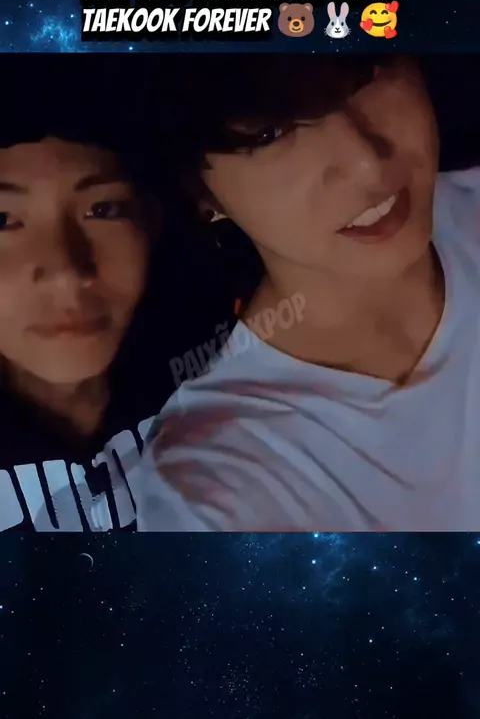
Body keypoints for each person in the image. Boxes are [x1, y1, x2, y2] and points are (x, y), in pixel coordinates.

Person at [137, 53, 480, 532]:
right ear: (201, 194)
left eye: (365, 73)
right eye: (269, 132)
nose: (366, 162)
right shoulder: (217, 486)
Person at [0, 58, 179, 532]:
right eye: (3, 221)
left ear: (151, 221)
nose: (66, 272)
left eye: (104, 209)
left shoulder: (218, 356)